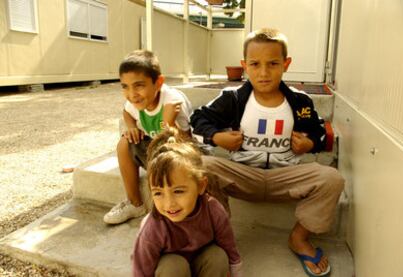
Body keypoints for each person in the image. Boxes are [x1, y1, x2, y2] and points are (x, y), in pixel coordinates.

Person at [190, 28, 344, 276]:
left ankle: (299, 237)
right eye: (255, 64)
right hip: (243, 175)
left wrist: (310, 144)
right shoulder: (233, 99)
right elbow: (197, 119)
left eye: (273, 63)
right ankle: (218, 234)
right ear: (244, 66)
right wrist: (217, 137)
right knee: (202, 166)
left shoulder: (300, 101)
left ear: (286, 64)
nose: (263, 72)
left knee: (332, 179)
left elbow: (320, 132)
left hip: (286, 178)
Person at [132, 128, 242, 277]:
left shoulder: (213, 210)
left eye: (178, 191)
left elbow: (230, 249)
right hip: (173, 271)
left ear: (201, 186)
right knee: (173, 266)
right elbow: (141, 270)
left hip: (202, 265)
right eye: (158, 193)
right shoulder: (153, 227)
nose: (169, 203)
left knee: (218, 255)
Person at [103, 50, 192, 224]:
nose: (132, 94)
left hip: (181, 153)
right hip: (156, 149)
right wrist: (131, 127)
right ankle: (135, 203)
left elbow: (188, 144)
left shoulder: (172, 102)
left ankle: (170, 208)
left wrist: (170, 124)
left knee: (167, 153)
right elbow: (126, 111)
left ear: (158, 82)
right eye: (125, 87)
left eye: (139, 85)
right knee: (124, 143)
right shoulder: (134, 101)